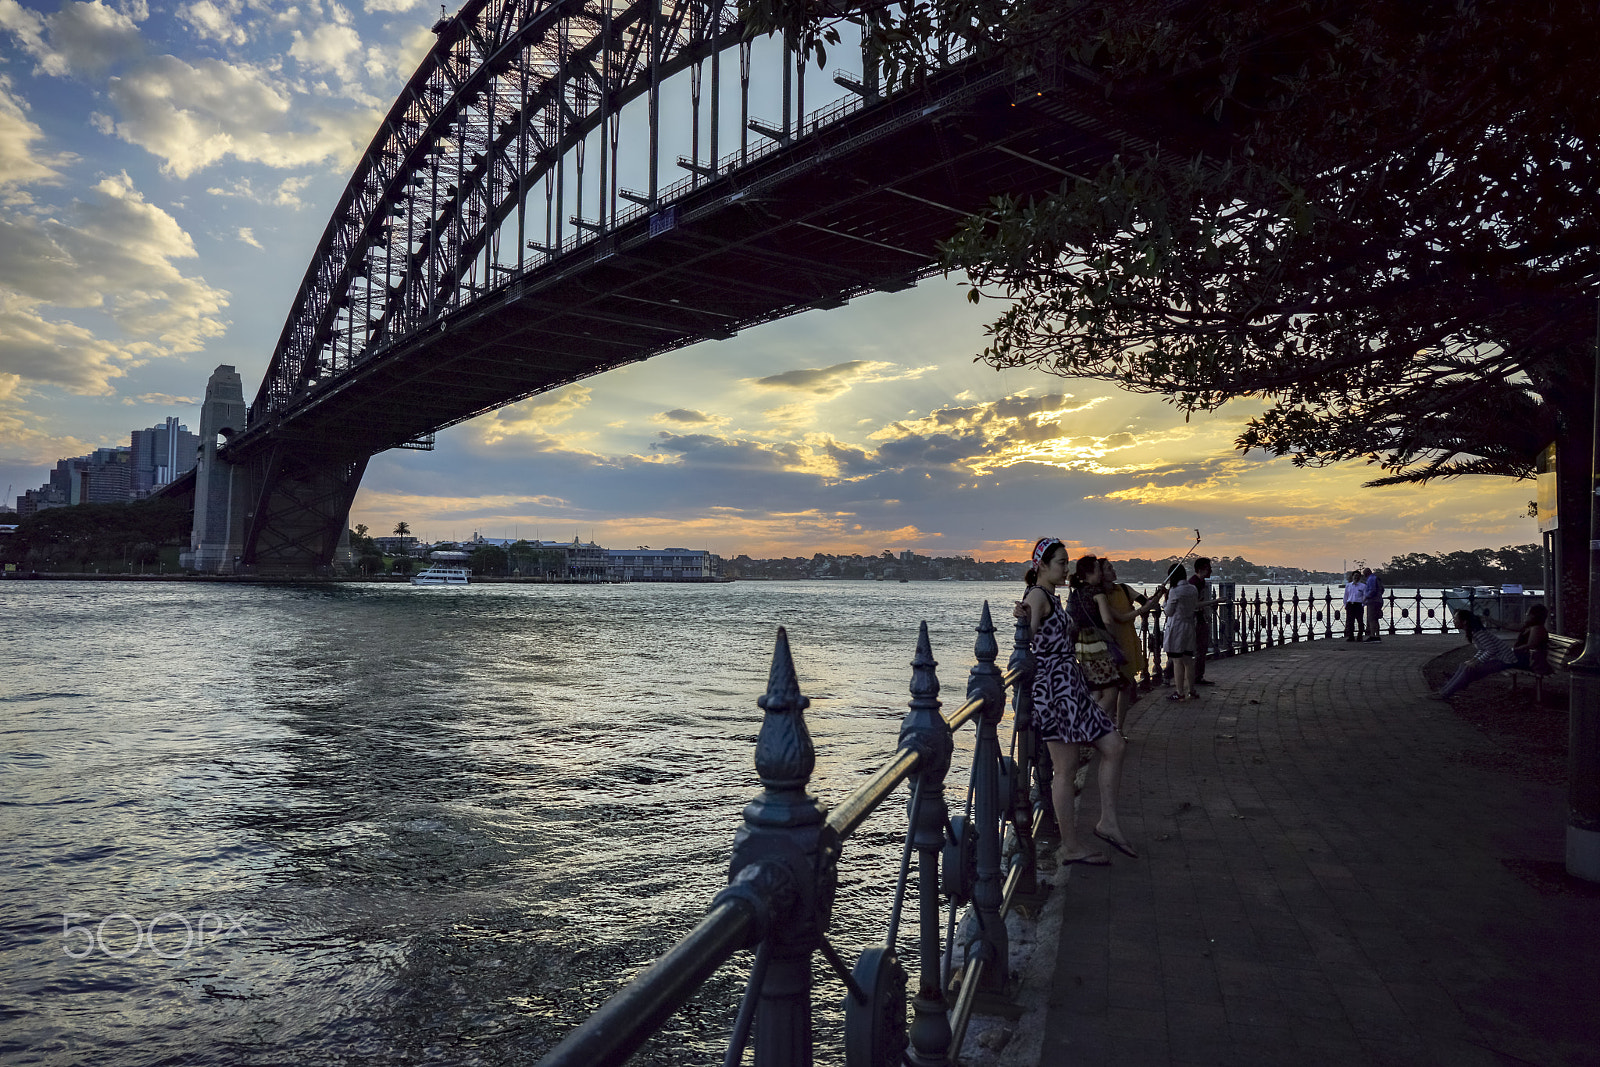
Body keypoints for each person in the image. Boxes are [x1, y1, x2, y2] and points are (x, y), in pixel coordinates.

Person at [1017, 538, 1137, 866]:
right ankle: (1070, 847)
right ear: (1041, 565)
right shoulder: (1039, 596)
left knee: (1114, 746)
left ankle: (1107, 823)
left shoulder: (1053, 597)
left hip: (1073, 687)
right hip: (1055, 692)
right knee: (1065, 769)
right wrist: (1022, 616)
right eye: (1060, 562)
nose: (1066, 568)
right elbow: (1025, 634)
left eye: (1067, 562)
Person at [1098, 558, 1160, 734]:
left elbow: (1145, 603)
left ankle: (1119, 728)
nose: (1113, 570)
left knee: (1126, 685)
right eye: (1109, 568)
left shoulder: (1124, 588)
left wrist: (1157, 596)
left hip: (1127, 641)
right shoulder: (1100, 595)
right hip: (1110, 645)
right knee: (1109, 690)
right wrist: (1141, 610)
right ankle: (1108, 728)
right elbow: (1120, 617)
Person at [1434, 609, 1515, 698]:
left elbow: (1492, 649)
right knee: (1464, 665)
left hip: (1504, 660)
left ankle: (1446, 693)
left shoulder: (1478, 633)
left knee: (1468, 669)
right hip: (1499, 658)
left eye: (1455, 619)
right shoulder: (1474, 631)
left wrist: (1477, 662)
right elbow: (1482, 649)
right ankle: (1446, 689)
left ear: (1464, 622)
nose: (1453, 621)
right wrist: (1473, 660)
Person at [1163, 563, 1200, 700]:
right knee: (1188, 660)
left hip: (1176, 627)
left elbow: (1168, 611)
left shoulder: (1175, 591)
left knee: (1177, 661)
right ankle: (1192, 689)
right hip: (1189, 626)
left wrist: (1164, 599)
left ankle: (1179, 692)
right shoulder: (1193, 588)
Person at [1187, 557, 1218, 684]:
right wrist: (1214, 602)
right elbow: (1195, 604)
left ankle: (1198, 675)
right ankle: (1194, 676)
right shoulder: (1194, 583)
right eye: (1208, 568)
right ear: (1201, 569)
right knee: (1192, 648)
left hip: (1200, 617)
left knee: (1201, 648)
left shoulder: (1201, 582)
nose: (1210, 571)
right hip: (1194, 619)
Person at [1512, 605, 1550, 673]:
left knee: (1496, 662)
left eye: (1527, 613)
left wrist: (1512, 650)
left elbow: (1530, 645)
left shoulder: (1537, 629)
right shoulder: (1530, 627)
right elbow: (1507, 625)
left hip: (1525, 662)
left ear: (1533, 616)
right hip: (1521, 659)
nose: (1526, 615)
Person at [1344, 570, 1367, 641]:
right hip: (1350, 604)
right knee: (1350, 622)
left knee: (1360, 621)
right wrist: (1345, 604)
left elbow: (1365, 596)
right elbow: (1346, 596)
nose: (1356, 577)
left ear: (1359, 577)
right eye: (1354, 576)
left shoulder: (1363, 586)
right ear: (1352, 576)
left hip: (1358, 605)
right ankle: (1351, 636)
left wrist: (1363, 604)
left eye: (1357, 576)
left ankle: (1360, 636)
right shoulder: (1348, 585)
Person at [1363, 567, 1384, 641]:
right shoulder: (1376, 578)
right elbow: (1382, 589)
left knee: (1371, 619)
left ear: (1366, 573)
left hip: (1372, 601)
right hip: (1379, 600)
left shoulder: (1371, 579)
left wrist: (1366, 597)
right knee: (1376, 618)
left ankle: (1372, 635)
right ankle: (1377, 635)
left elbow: (1372, 590)